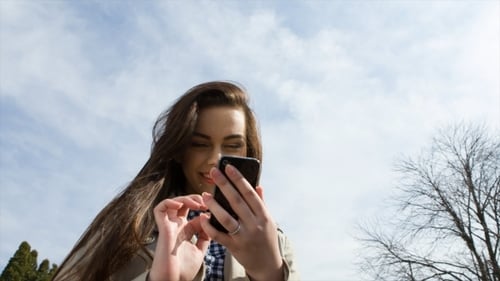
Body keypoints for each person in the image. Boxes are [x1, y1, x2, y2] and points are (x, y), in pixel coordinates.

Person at [52, 81, 299, 281]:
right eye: (200, 144)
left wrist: (270, 274)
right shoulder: (129, 223)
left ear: (248, 153)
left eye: (233, 145)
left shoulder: (275, 243)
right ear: (179, 150)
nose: (215, 159)